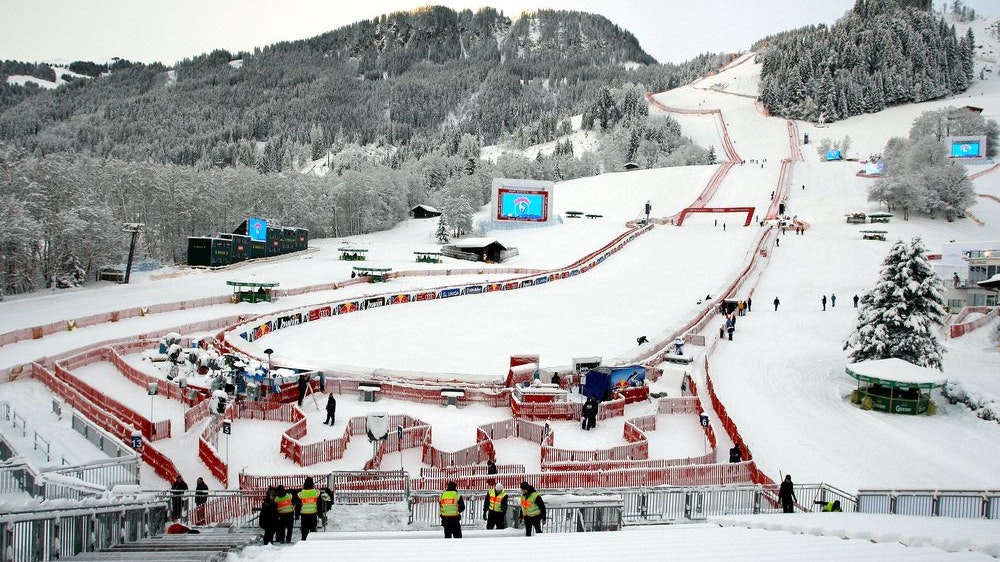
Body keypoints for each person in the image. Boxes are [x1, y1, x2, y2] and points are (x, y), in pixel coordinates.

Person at [297, 476, 321, 541]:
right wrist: (314, 488)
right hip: (313, 514)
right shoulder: (315, 492)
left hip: (304, 514)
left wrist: (303, 489)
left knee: (304, 530)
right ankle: (312, 542)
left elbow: (298, 495)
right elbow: (318, 492)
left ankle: (304, 541)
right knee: (313, 530)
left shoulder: (302, 493)